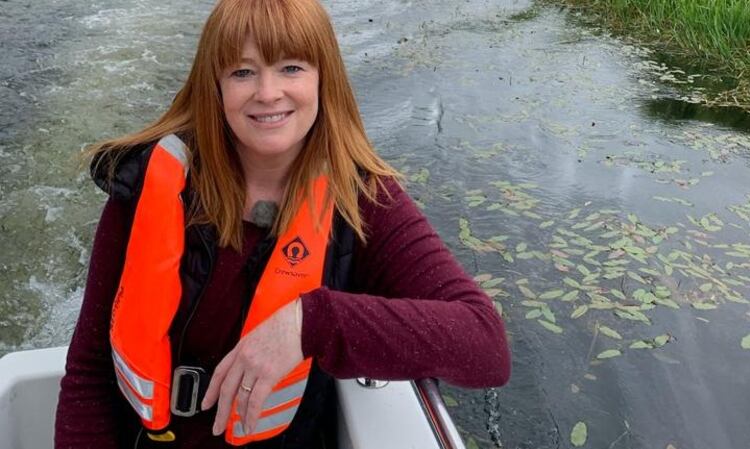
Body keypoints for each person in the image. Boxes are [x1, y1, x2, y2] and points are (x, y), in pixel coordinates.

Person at [54, 0, 511, 447]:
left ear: (323, 80)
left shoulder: (364, 203)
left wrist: (311, 323)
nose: (268, 93)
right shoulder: (148, 188)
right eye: (242, 72)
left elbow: (484, 346)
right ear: (215, 87)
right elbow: (89, 371)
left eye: (291, 68)